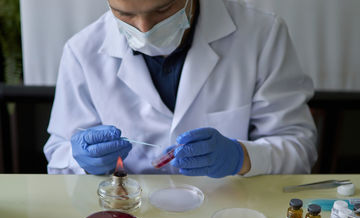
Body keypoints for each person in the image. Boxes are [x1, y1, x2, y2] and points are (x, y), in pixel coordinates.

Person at [44, 0, 318, 177]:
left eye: (162, 10)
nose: (144, 29)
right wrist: (81, 160)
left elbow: (299, 147)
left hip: (228, 212)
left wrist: (241, 157)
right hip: (130, 216)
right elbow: (58, 157)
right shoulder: (82, 51)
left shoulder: (262, 35)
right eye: (124, 14)